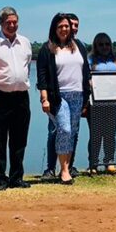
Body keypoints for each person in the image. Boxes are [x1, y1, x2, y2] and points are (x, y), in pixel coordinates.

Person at [37, 13, 90, 185]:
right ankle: (65, 170)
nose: (64, 29)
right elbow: (42, 77)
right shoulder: (47, 48)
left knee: (72, 132)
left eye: (66, 26)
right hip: (58, 97)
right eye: (60, 26)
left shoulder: (79, 46)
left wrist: (88, 93)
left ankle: (65, 168)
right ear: (54, 28)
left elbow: (86, 71)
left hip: (78, 94)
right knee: (64, 130)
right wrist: (44, 99)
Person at [0, 6, 33, 190]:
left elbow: (27, 66)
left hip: (21, 96)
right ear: (1, 23)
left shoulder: (25, 42)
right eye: (8, 23)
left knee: (20, 138)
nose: (12, 25)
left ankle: (16, 177)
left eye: (15, 22)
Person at [87, 32, 116, 173]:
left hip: (115, 102)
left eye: (107, 44)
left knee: (110, 133)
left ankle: (110, 162)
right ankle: (93, 163)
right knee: (96, 134)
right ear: (95, 46)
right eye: (101, 44)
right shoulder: (90, 60)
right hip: (96, 102)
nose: (104, 47)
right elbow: (85, 77)